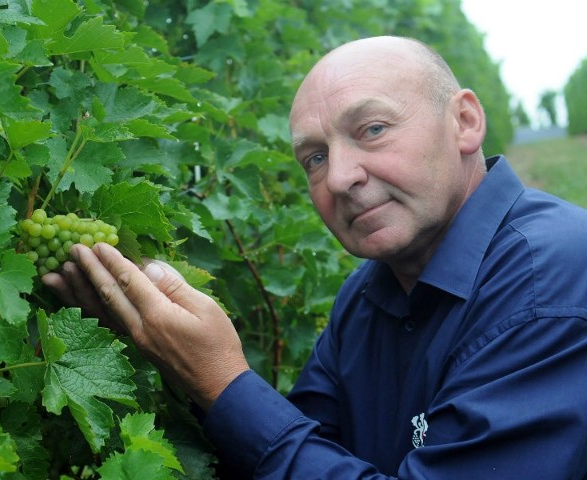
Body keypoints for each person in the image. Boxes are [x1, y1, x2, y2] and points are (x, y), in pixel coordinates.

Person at [43, 36, 587, 478]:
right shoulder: (367, 295)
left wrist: (221, 381)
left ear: (464, 122)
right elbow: (297, 446)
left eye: (373, 130)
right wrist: (164, 350)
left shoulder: (550, 285)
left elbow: (280, 445)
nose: (341, 177)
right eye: (315, 157)